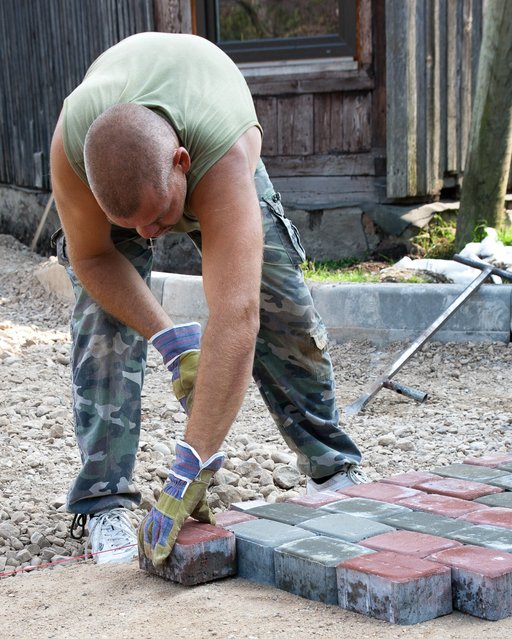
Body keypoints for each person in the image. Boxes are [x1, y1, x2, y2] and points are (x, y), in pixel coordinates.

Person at [50, 32, 367, 567]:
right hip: (130, 158)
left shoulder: (220, 157)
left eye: (159, 217)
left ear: (181, 163)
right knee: (101, 322)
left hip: (213, 135)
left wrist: (188, 469)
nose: (150, 236)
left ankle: (333, 467)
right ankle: (103, 500)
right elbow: (94, 259)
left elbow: (235, 316)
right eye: (133, 226)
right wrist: (169, 339)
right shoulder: (74, 154)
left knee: (278, 304)